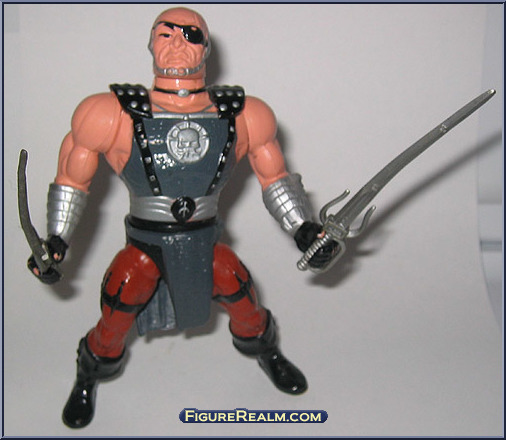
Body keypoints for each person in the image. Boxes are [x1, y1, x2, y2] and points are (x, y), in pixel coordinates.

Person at [27, 7, 337, 429]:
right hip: (145, 244)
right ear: (150, 43)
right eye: (165, 33)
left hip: (204, 240)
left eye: (190, 35)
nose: (177, 43)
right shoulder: (110, 113)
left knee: (242, 295)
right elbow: (72, 180)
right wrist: (56, 241)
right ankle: (89, 375)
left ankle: (267, 353)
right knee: (117, 308)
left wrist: (303, 229)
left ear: (206, 48)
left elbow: (275, 178)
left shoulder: (245, 114)